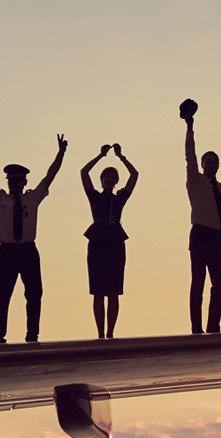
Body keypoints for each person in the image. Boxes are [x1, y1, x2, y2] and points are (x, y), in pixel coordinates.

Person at [0, 132, 67, 343]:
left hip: (28, 250)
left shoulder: (31, 198)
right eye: (11, 180)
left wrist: (60, 155)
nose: (14, 183)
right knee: (3, 294)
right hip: (6, 251)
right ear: (8, 182)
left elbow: (49, 177)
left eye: (18, 180)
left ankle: (32, 335)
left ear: (24, 182)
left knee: (34, 293)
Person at [181, 100, 221, 334]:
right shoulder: (195, 181)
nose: (211, 165)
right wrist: (189, 128)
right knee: (198, 283)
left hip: (217, 237)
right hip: (199, 235)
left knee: (220, 283)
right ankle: (196, 328)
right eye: (208, 161)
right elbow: (189, 155)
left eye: (215, 162)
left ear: (218, 165)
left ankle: (213, 326)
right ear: (203, 164)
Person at [80, 143, 139, 338]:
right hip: (97, 241)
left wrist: (121, 157)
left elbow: (134, 175)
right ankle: (100, 334)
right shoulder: (94, 196)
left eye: (113, 177)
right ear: (102, 179)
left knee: (114, 291)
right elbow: (84, 172)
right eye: (107, 176)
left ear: (116, 182)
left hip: (115, 242)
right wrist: (100, 156)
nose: (110, 179)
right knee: (97, 290)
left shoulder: (120, 198)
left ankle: (110, 333)